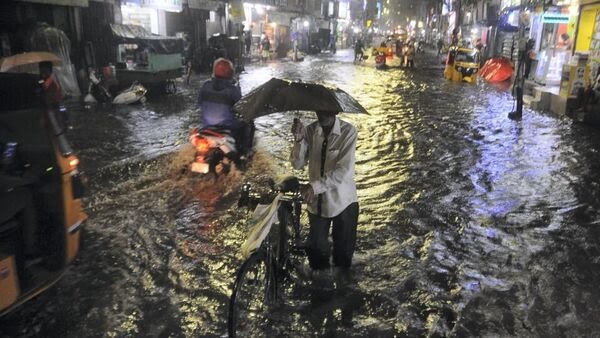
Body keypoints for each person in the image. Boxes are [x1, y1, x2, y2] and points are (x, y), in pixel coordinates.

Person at [290, 111, 359, 276]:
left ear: (335, 111)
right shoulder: (310, 131)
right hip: (317, 204)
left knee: (343, 260)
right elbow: (297, 164)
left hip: (344, 202)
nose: (322, 114)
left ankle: (342, 290)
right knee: (316, 258)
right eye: (319, 109)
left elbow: (343, 171)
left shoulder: (348, 132)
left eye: (326, 109)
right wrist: (299, 139)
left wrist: (314, 187)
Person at [198, 58, 253, 154]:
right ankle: (245, 153)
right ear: (230, 73)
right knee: (248, 124)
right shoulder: (233, 90)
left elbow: (200, 103)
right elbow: (242, 108)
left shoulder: (205, 86)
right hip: (227, 129)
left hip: (207, 128)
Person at [39, 61, 69, 129]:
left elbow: (46, 86)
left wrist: (45, 80)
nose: (41, 71)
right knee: (58, 114)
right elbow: (41, 85)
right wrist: (42, 80)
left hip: (56, 100)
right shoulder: (43, 77)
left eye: (43, 69)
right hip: (51, 101)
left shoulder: (52, 76)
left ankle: (64, 124)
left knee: (61, 112)